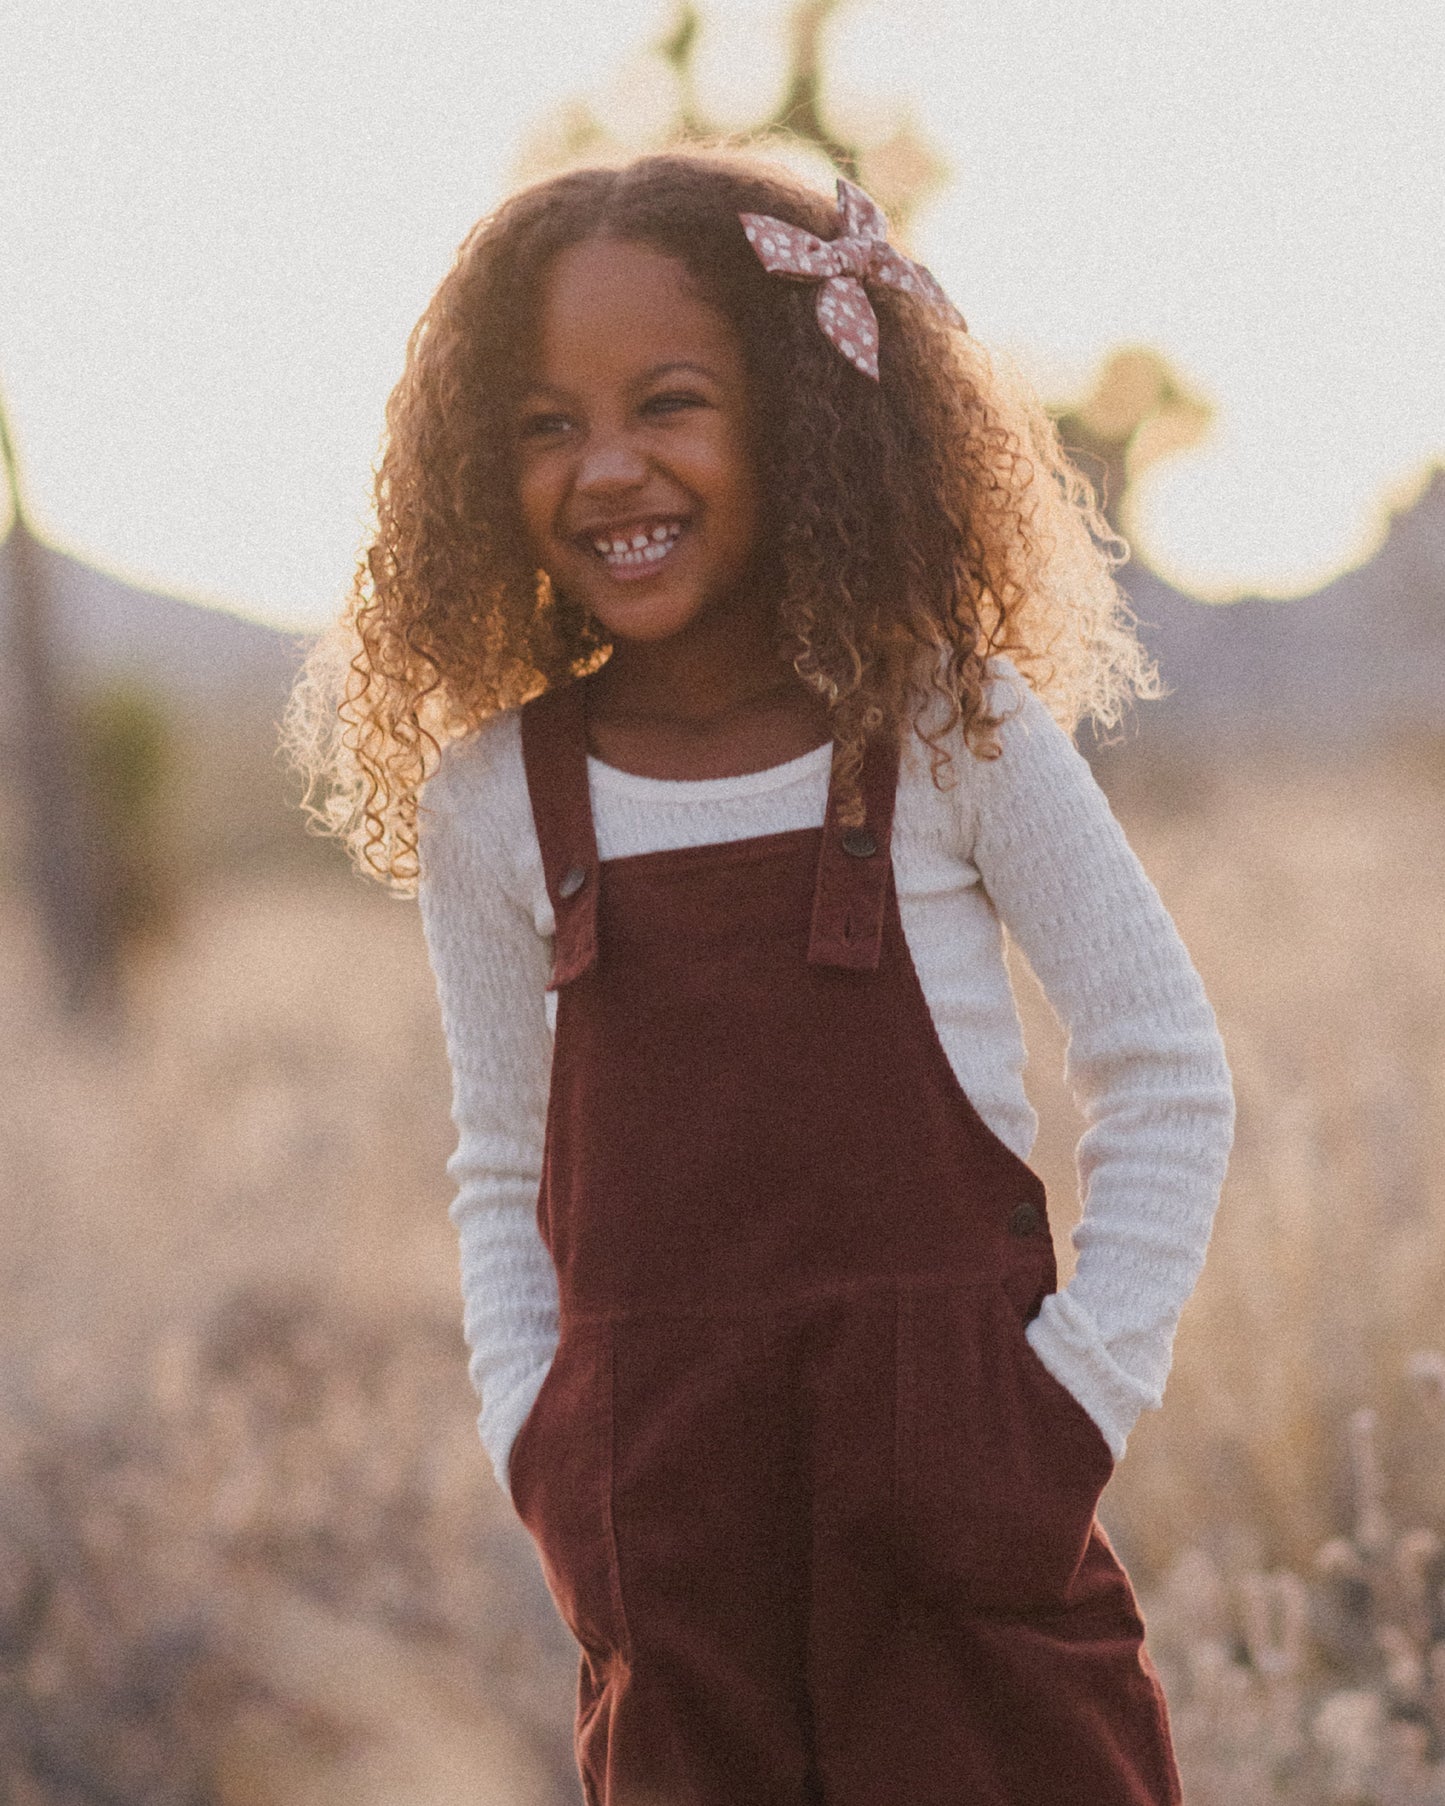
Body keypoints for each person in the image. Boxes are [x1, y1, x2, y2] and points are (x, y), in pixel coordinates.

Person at [288, 147, 1235, 1806]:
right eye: (542, 424)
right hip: (668, 1562)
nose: (606, 469)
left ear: (803, 410)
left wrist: (1062, 1417)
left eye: (668, 402)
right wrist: (547, 1458)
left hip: (965, 1547)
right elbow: (503, 1176)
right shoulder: (493, 802)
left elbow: (1163, 1066)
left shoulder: (954, 723)